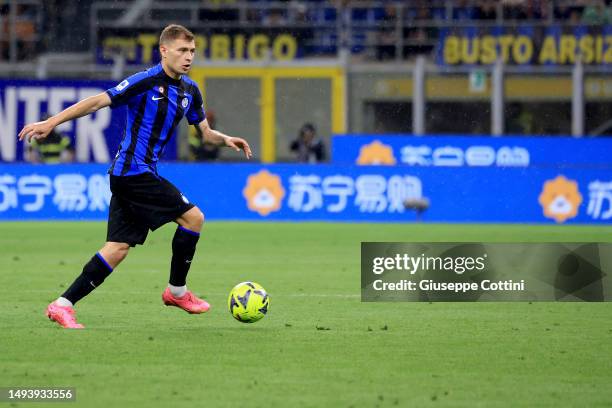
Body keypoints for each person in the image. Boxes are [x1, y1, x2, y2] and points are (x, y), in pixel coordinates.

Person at [18, 24, 252, 329]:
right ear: (164, 51)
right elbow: (98, 101)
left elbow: (204, 132)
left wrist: (226, 139)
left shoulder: (190, 91)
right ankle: (177, 292)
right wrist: (53, 122)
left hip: (136, 174)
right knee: (194, 218)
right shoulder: (145, 81)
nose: (188, 57)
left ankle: (62, 305)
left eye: (192, 51)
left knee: (116, 249)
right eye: (182, 50)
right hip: (132, 172)